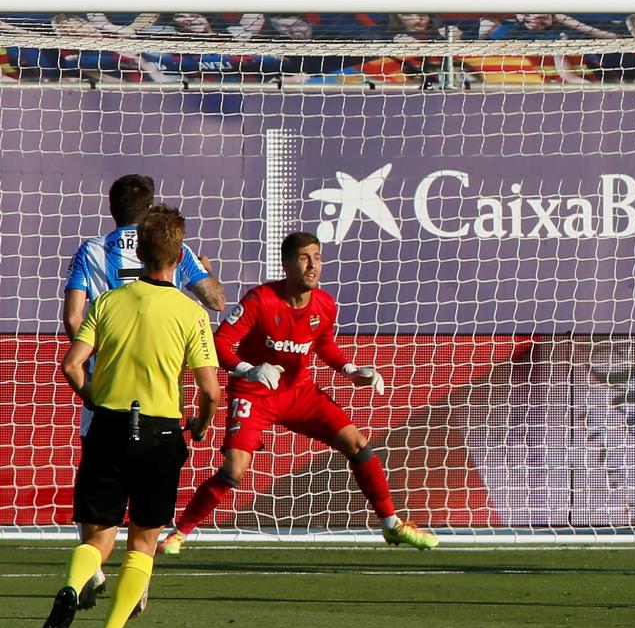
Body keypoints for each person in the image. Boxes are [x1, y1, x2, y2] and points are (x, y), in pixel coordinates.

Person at [159, 232, 439, 554]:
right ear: (287, 264)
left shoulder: (325, 304)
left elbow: (323, 342)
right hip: (255, 392)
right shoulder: (260, 300)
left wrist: (350, 370)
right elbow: (220, 343)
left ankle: (392, 526)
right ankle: (178, 534)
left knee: (358, 443)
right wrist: (248, 369)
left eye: (317, 257)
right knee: (235, 468)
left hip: (298, 393)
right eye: (304, 258)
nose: (313, 266)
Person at [46, 204, 221, 628]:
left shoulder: (107, 303)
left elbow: (71, 365)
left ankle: (70, 589)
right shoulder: (191, 313)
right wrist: (199, 423)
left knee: (98, 536)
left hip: (109, 425)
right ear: (179, 259)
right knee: (143, 542)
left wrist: (92, 399)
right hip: (161, 433)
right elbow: (211, 390)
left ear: (139, 252)